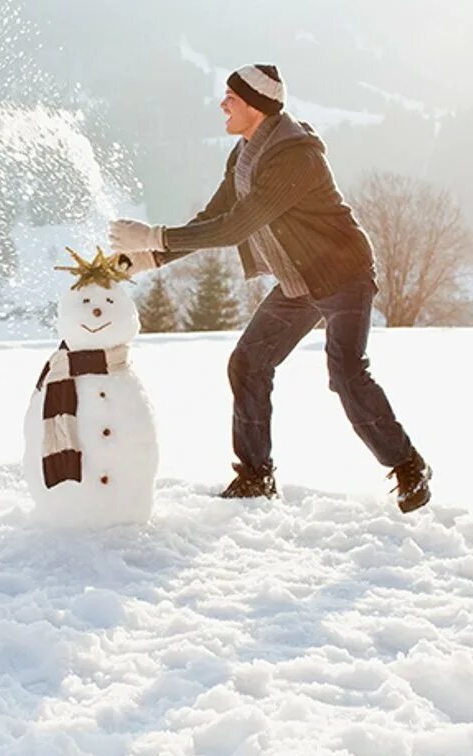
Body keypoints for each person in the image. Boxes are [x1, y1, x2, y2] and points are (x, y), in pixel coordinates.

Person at [108, 64, 431, 512]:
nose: (222, 104)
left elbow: (239, 225)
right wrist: (152, 257)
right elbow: (213, 218)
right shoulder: (243, 154)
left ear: (256, 107)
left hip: (343, 276)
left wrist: (155, 235)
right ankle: (256, 477)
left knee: (345, 371)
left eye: (231, 98)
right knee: (248, 363)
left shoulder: (295, 156)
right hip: (299, 280)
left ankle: (409, 465)